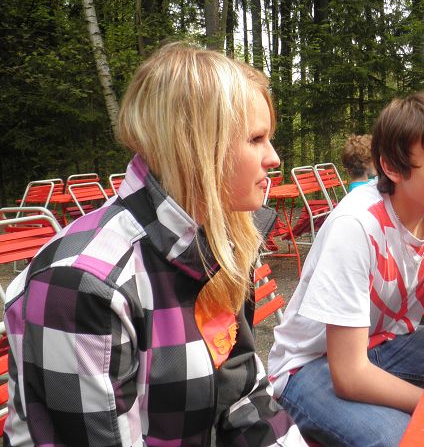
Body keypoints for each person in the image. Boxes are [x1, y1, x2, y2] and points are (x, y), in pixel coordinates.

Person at [2, 44, 306, 446]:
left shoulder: (219, 244)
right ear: (193, 145)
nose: (274, 157)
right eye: (256, 138)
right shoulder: (83, 284)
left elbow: (243, 396)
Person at [267, 93, 424, 446]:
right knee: (407, 438)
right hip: (312, 365)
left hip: (389, 343)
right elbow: (349, 375)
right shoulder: (356, 225)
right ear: (392, 168)